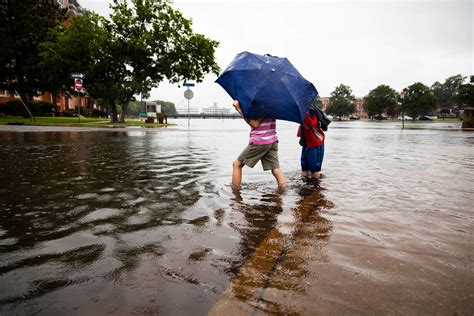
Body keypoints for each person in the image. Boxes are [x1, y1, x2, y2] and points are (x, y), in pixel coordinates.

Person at [232, 100, 286, 190]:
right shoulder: (272, 104)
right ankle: (284, 193)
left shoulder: (260, 105)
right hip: (272, 140)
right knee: (276, 169)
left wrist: (239, 109)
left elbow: (255, 124)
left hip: (260, 141)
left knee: (237, 165)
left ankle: (235, 194)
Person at [298, 103, 325, 179]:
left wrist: (302, 114)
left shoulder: (310, 110)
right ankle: (306, 187)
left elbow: (311, 123)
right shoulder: (302, 110)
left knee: (315, 170)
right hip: (306, 142)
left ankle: (316, 188)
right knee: (304, 168)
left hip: (315, 142)